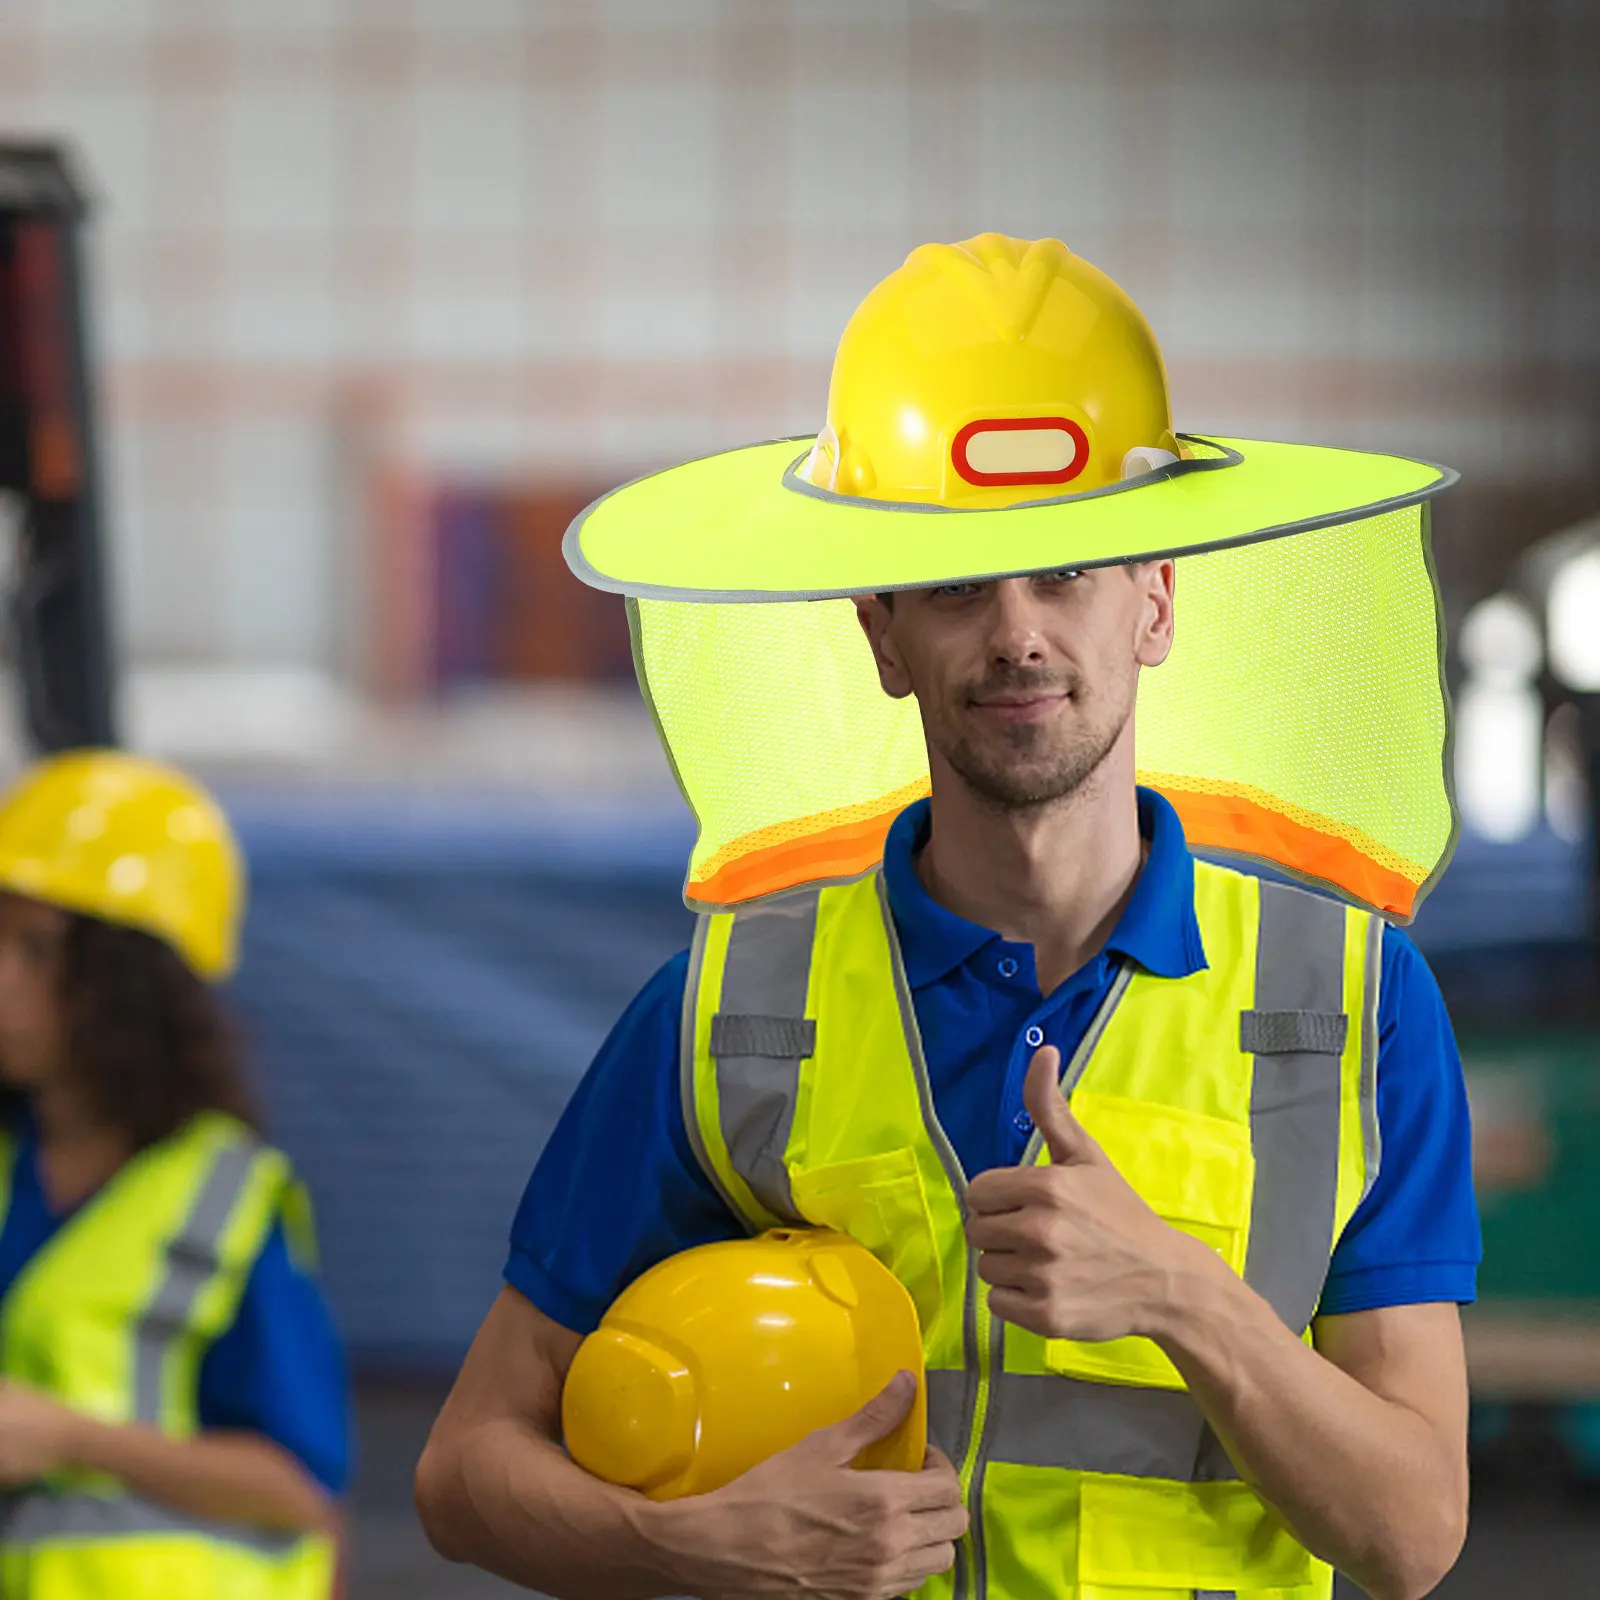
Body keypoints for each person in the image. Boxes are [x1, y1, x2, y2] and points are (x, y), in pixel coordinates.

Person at [416, 235, 1477, 1600]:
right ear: (880, 637)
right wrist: (690, 1545)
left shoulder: (1350, 1002)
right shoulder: (733, 1007)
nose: (1018, 633)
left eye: (1069, 573)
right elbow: (460, 1473)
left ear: (1155, 605)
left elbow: (1412, 1537)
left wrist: (1176, 1292)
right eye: (958, 586)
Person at [0, 750, 348, 1599]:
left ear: (129, 981)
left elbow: (301, 1493)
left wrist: (70, 1439)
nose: (1, 976)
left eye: (34, 947)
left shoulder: (223, 1198)